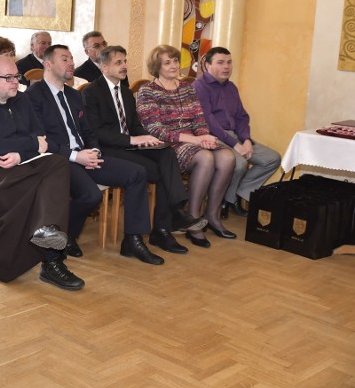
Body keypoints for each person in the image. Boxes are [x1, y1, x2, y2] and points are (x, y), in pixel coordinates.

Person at [27, 45, 165, 265]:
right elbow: (39, 140)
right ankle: (64, 236)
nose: (71, 63)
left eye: (72, 58)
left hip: (85, 156)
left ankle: (133, 240)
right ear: (48, 64)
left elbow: (88, 131)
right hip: (58, 159)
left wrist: (93, 150)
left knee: (137, 173)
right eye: (64, 59)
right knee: (91, 196)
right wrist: (75, 156)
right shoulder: (33, 96)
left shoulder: (73, 95)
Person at [0, 55, 82, 290]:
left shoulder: (23, 100)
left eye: (16, 76)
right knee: (52, 175)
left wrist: (20, 154)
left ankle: (49, 249)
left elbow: (43, 140)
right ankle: (51, 258)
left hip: (24, 166)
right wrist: (28, 145)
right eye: (8, 78)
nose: (15, 82)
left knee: (57, 163)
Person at [81, 45, 206, 254]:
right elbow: (96, 132)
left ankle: (166, 225)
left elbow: (135, 124)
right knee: (160, 172)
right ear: (104, 67)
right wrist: (133, 140)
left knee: (166, 154)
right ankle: (166, 224)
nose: (124, 66)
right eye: (118, 62)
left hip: (129, 145)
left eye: (125, 61)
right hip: (107, 149)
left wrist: (149, 138)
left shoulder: (125, 91)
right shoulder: (92, 92)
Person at [136, 45, 237, 248]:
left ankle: (212, 214)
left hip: (193, 142)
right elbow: (155, 130)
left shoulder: (186, 88)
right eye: (167, 62)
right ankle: (192, 219)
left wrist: (205, 137)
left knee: (228, 157)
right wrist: (194, 140)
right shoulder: (148, 91)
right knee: (206, 158)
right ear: (157, 66)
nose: (174, 65)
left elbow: (199, 120)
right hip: (168, 146)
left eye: (175, 60)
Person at [193, 47, 282, 218]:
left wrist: (246, 140)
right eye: (220, 63)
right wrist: (236, 145)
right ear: (207, 65)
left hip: (235, 136)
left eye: (229, 62)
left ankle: (238, 194)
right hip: (213, 137)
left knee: (272, 159)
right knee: (239, 163)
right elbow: (208, 122)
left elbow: (241, 116)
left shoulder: (231, 87)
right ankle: (225, 202)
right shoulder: (199, 86)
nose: (226, 67)